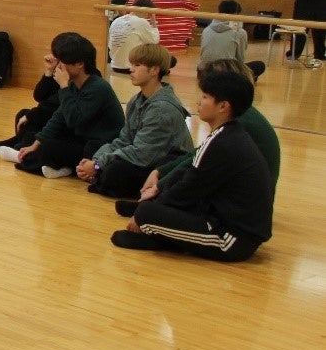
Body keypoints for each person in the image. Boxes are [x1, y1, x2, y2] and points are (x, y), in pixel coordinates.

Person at [110, 68, 273, 262]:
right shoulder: (228, 134)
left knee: (147, 213)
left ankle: (161, 236)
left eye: (205, 97)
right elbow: (189, 174)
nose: (199, 101)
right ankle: (158, 225)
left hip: (231, 238)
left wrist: (142, 216)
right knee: (163, 195)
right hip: (224, 218)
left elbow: (187, 191)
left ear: (223, 106)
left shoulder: (223, 143)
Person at [114, 58, 280, 216]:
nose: (200, 98)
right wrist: (160, 172)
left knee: (186, 180)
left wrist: (160, 184)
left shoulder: (238, 121)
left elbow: (199, 163)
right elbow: (199, 153)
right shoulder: (239, 114)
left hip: (243, 200)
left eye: (207, 93)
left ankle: (153, 207)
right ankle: (153, 205)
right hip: (242, 189)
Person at [76, 43, 192, 198]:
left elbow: (143, 154)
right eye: (132, 64)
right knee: (94, 148)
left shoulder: (161, 109)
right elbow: (124, 140)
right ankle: (97, 174)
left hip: (165, 163)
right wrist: (97, 161)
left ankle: (98, 175)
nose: (131, 69)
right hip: (145, 155)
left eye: (137, 65)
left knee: (115, 172)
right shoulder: (135, 101)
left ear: (154, 70)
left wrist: (97, 165)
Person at [13, 33, 124, 178]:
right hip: (80, 137)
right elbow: (59, 117)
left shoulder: (97, 87)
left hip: (99, 145)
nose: (58, 66)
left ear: (80, 64)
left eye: (63, 62)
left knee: (49, 148)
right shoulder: (74, 83)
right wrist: (34, 145)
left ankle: (50, 164)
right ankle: (52, 164)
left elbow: (74, 119)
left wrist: (64, 87)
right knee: (40, 138)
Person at [0, 52, 67, 157]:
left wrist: (31, 115)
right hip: (55, 113)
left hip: (68, 122)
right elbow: (39, 96)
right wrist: (49, 71)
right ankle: (19, 143)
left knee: (34, 118)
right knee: (24, 114)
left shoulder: (75, 79)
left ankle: (21, 148)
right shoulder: (63, 74)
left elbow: (55, 104)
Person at [200, 0, 266, 80]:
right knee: (259, 65)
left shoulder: (206, 30)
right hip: (226, 73)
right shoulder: (240, 32)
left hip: (203, 72)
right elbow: (240, 59)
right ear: (235, 14)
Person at [108, 0, 160, 73]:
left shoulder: (116, 21)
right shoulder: (141, 22)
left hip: (115, 66)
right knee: (167, 60)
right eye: (148, 13)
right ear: (144, 10)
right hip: (132, 67)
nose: (147, 16)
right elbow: (155, 41)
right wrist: (153, 22)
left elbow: (109, 43)